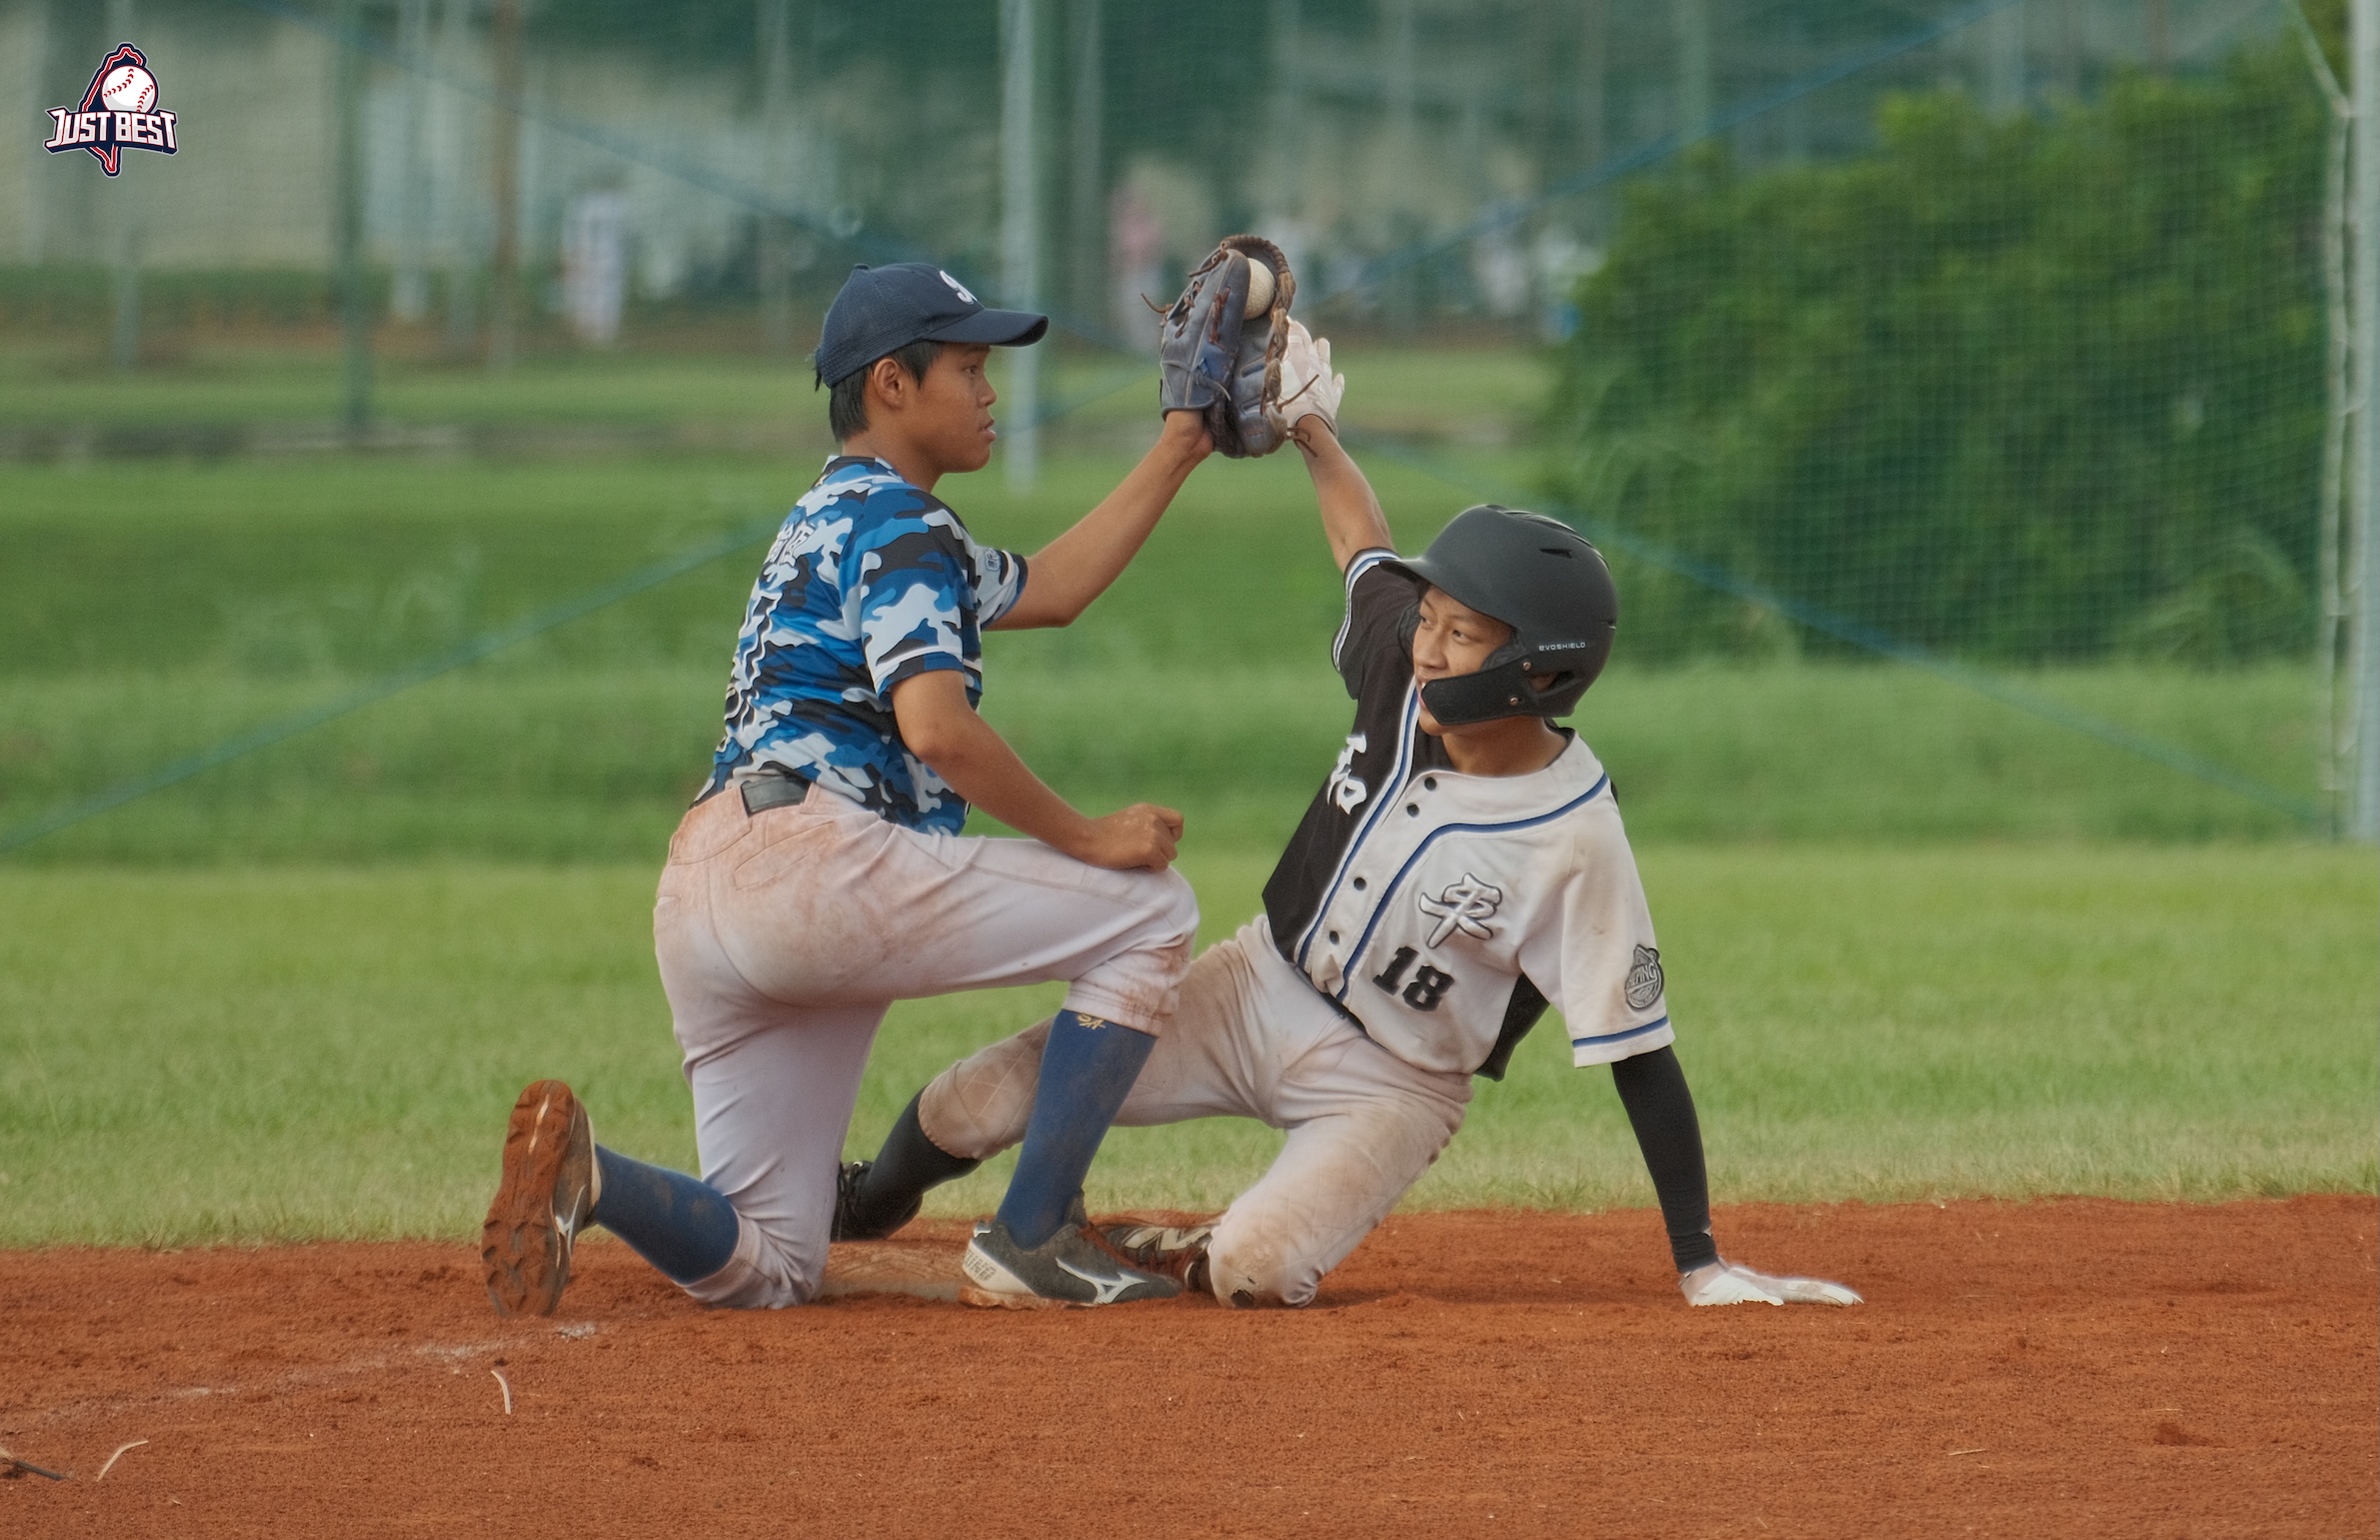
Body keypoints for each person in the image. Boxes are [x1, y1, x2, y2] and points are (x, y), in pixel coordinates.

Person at [831, 323, 1861, 1310]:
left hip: (1394, 1085)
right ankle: (866, 1202)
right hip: (1253, 986)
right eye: (1431, 617)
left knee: (1256, 1267)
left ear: (1534, 672)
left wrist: (1700, 1261)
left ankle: (1180, 1245)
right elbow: (1361, 544)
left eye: (1461, 634)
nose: (1425, 643)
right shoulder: (1397, 665)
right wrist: (1315, 432)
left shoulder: (1575, 834)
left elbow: (1638, 1051)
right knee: (988, 1091)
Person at [480, 261, 1227, 1315]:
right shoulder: (902, 525)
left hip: (703, 890)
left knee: (772, 1263)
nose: (989, 391)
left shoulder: (842, 516)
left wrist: (1181, 442)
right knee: (1152, 909)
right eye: (966, 366)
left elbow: (1051, 589)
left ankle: (591, 1174)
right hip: (812, 872)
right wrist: (1088, 835)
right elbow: (936, 729)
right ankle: (1032, 1231)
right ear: (890, 383)